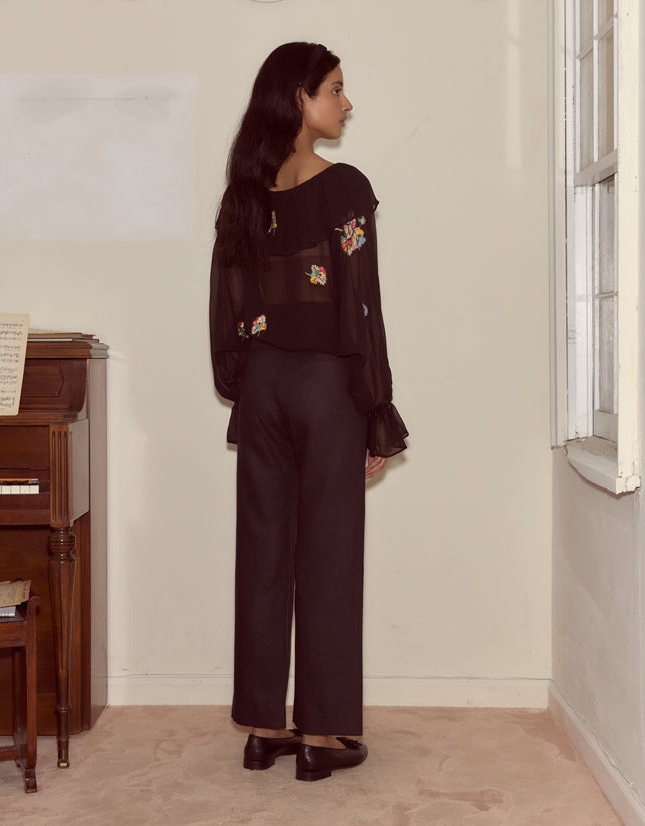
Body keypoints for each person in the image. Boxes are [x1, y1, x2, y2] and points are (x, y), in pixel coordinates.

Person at [209, 41, 408, 782]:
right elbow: (361, 308)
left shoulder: (244, 193)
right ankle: (321, 740)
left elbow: (227, 304)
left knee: (262, 555)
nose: (346, 103)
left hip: (263, 390)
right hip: (327, 389)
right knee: (326, 557)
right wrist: (376, 409)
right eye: (336, 89)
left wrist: (247, 378)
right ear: (300, 96)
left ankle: (264, 728)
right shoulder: (345, 188)